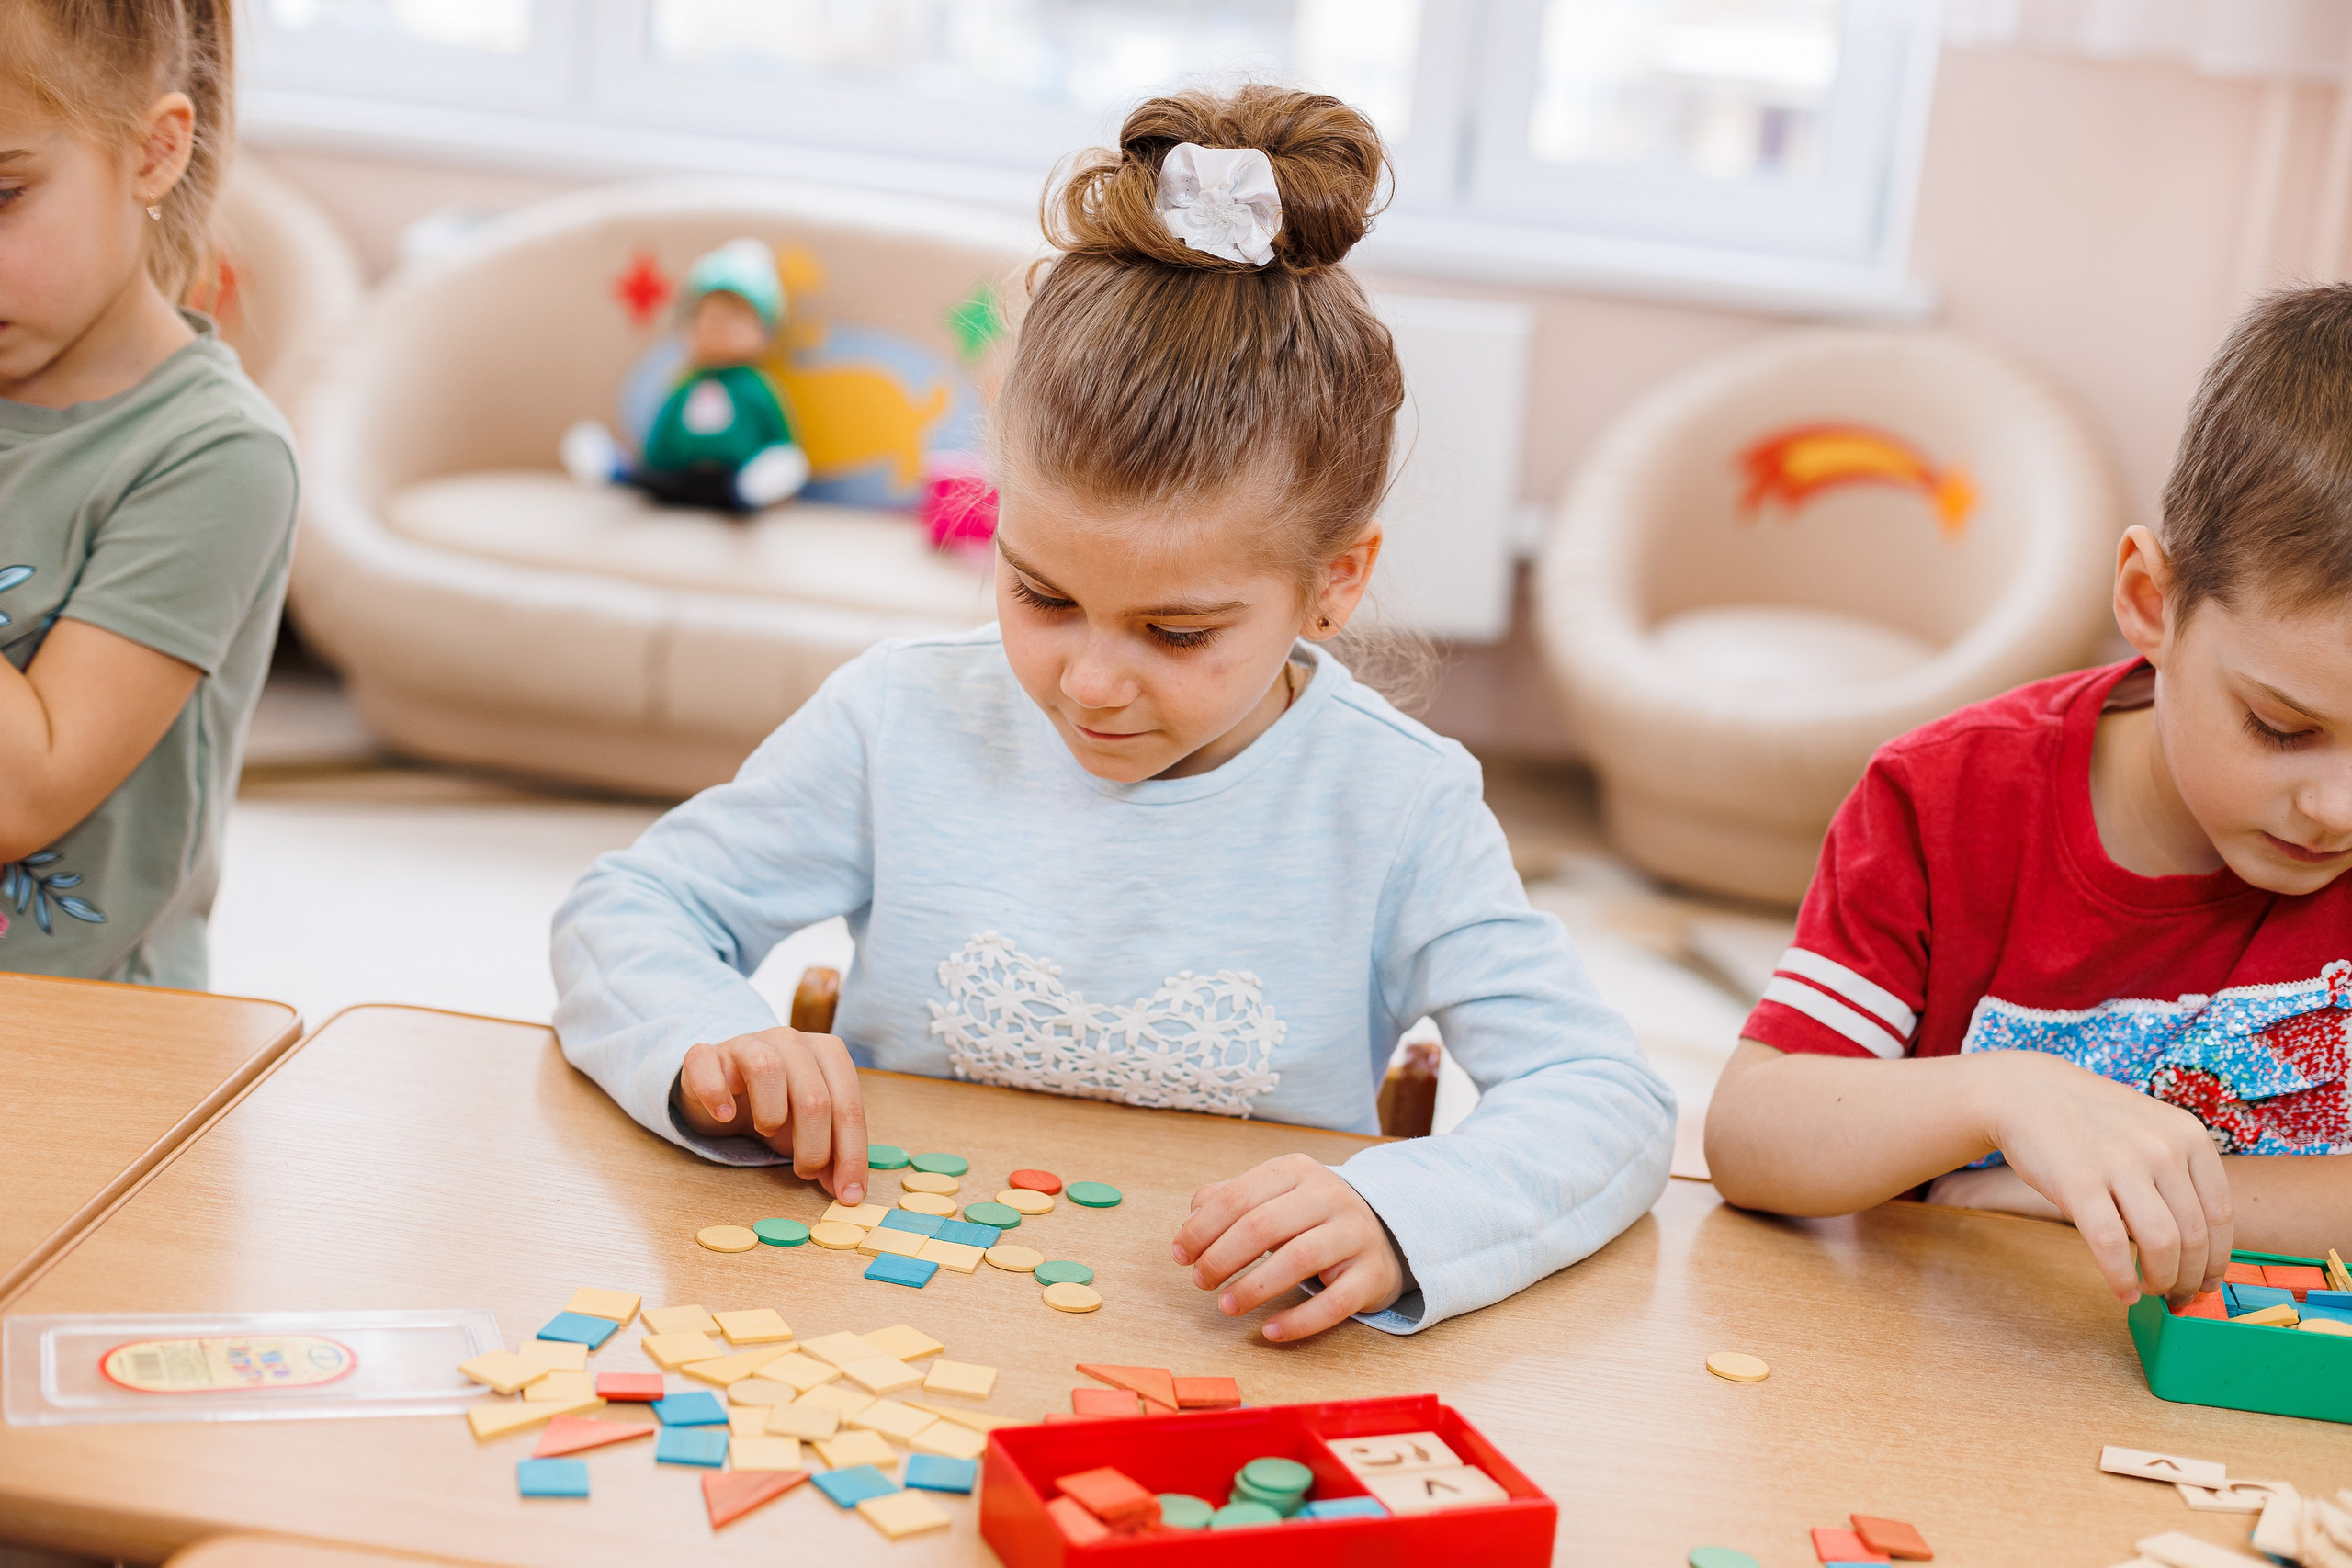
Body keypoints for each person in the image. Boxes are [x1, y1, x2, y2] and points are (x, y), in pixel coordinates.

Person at [553, 85, 1674, 1339]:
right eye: (1041, 594)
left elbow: (1606, 1098)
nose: (1089, 681)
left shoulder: (1398, 804)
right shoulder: (897, 718)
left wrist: (1405, 1209)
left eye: (1176, 633)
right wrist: (711, 1039)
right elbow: (628, 908)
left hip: (1221, 1362)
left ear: (1334, 582)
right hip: (889, 1333)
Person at [1705, 285, 2352, 1314]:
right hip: (1942, 1365)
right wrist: (2002, 1091)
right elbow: (1750, 1133)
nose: (2337, 809)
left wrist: (2111, 1199)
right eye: (2281, 727)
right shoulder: (1945, 802)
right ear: (2150, 602)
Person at [0, 0, 296, 987]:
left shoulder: (215, 454)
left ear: (153, 152)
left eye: (1, 194)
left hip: (88, 1035)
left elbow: (22, 793)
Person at [560, 237, 810, 513]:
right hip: (680, 476)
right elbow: (662, 436)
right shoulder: (685, 387)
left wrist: (779, 466)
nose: (718, 328)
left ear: (765, 333)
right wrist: (650, 460)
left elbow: (780, 440)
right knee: (654, 481)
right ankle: (617, 469)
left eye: (734, 319)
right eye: (709, 318)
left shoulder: (757, 388)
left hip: (733, 480)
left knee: (758, 480)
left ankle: (754, 489)